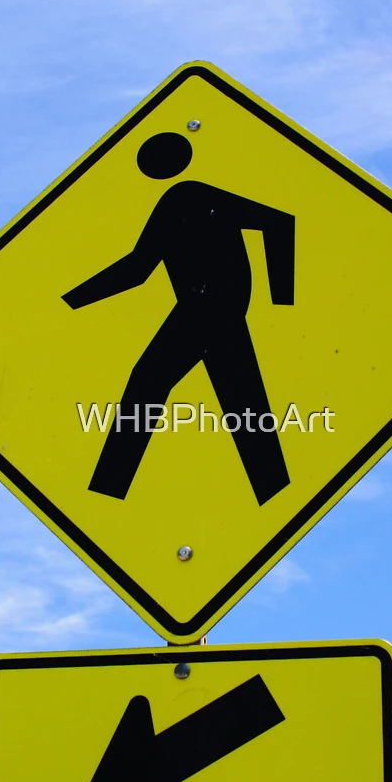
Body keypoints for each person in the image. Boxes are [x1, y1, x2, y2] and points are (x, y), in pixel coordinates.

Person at [62, 131, 296, 505]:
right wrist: (72, 301)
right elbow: (139, 268)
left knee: (149, 384)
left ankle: (105, 493)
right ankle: (277, 495)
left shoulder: (191, 195)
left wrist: (282, 301)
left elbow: (281, 223)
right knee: (243, 402)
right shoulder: (175, 201)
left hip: (210, 309)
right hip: (206, 309)